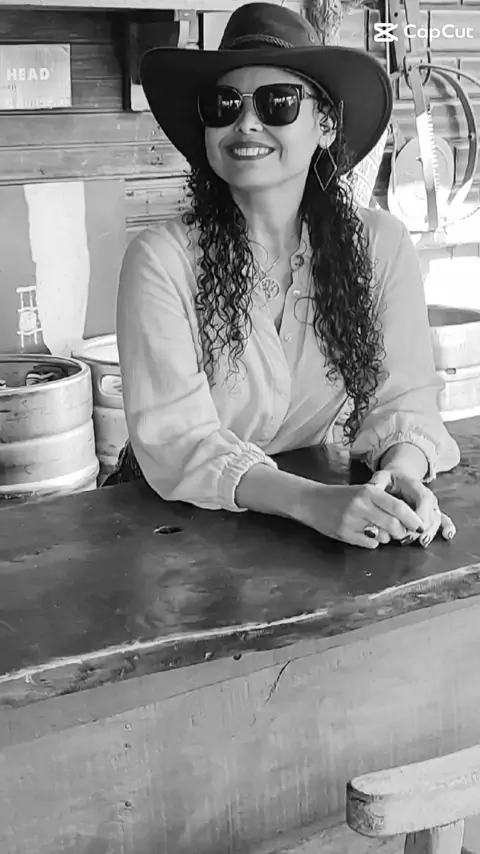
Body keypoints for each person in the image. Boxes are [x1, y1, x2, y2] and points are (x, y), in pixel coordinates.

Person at [111, 2, 461, 550]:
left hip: (309, 533)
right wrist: (313, 503)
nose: (246, 123)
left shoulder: (380, 246)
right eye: (223, 105)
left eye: (278, 102)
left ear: (325, 124)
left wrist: (401, 474)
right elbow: (180, 440)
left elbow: (404, 399)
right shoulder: (160, 261)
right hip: (171, 527)